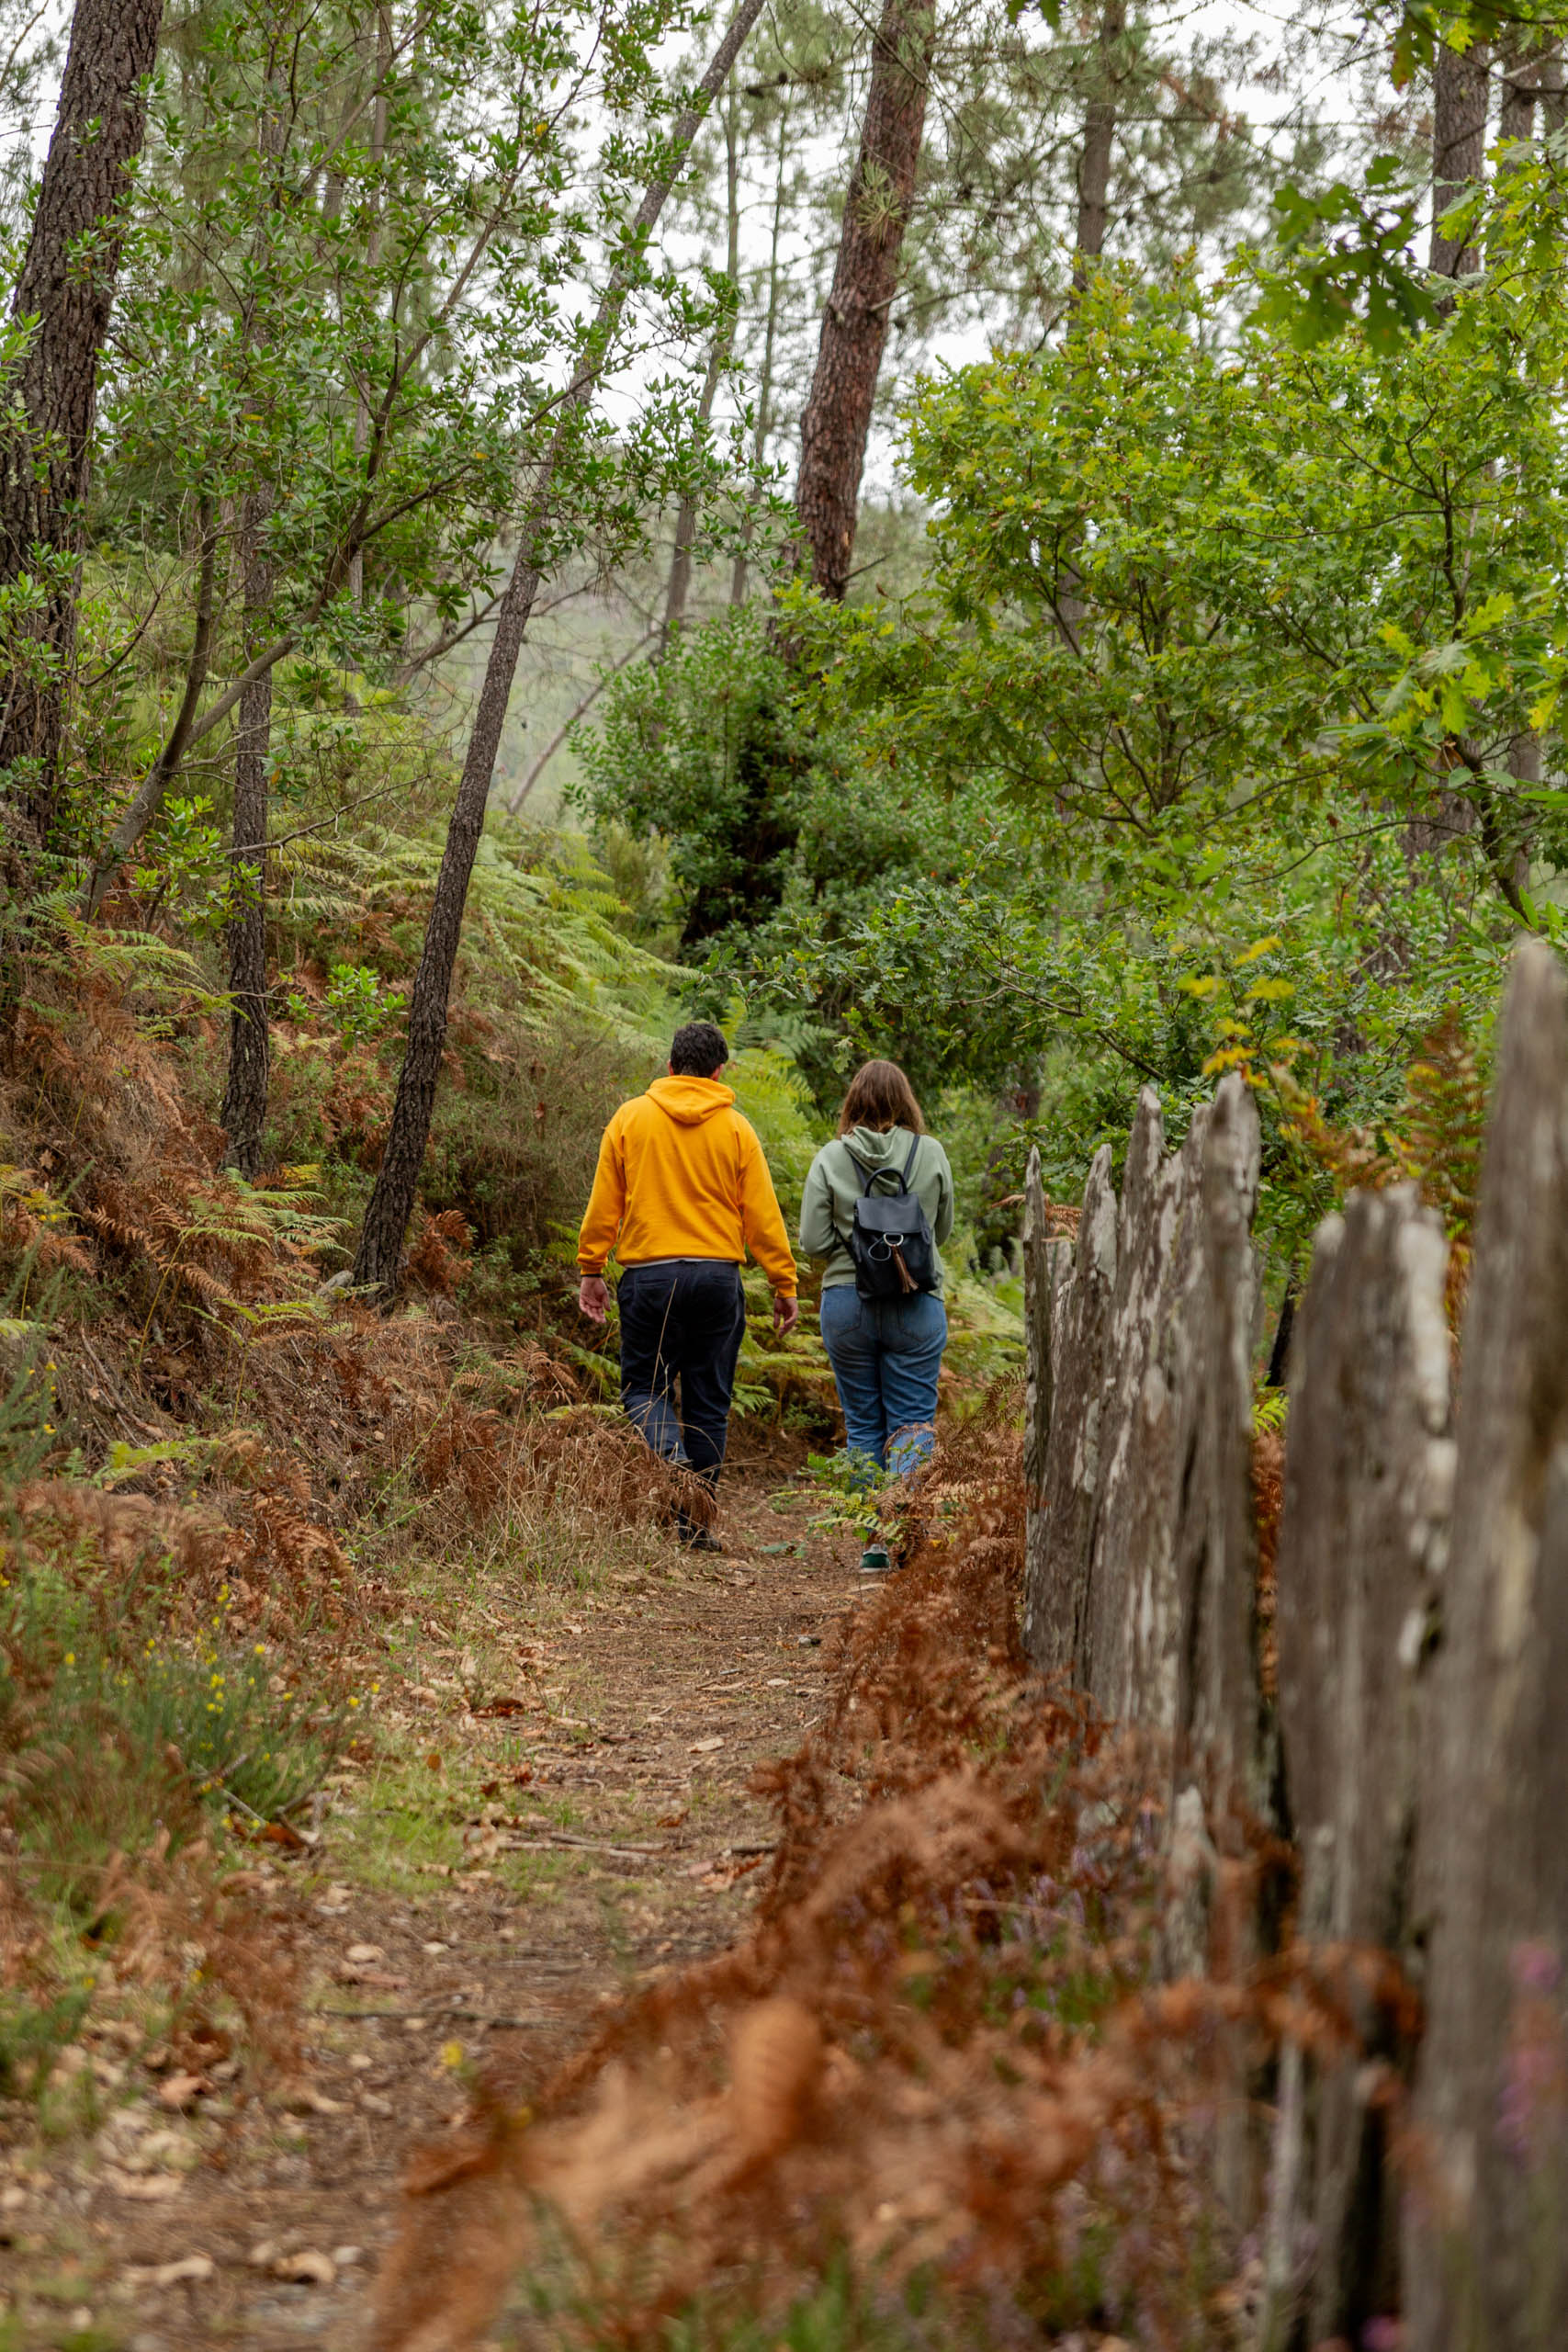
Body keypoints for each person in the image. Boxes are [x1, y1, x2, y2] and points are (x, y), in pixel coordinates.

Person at [577, 1020, 798, 1549]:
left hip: (649, 1279)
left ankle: (669, 1457)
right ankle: (696, 1530)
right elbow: (763, 1217)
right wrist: (783, 1282)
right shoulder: (738, 1130)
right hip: (718, 1280)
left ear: (670, 1066)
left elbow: (605, 1204)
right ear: (719, 1072)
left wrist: (591, 1269)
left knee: (643, 1390)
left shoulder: (631, 1119)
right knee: (708, 1404)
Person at [799, 1059, 953, 1569]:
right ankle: (906, 1537)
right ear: (906, 1101)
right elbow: (942, 1231)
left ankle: (873, 1546)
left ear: (853, 1103)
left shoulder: (830, 1156)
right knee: (911, 1424)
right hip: (916, 1303)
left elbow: (812, 1241)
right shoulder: (929, 1153)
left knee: (864, 1425)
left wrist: (855, 1246)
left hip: (848, 1305)